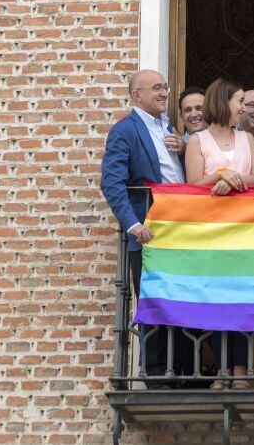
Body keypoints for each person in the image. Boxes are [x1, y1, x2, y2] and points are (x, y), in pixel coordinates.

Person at [100, 69, 187, 389]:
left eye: (165, 86)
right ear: (137, 96)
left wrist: (184, 150)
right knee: (155, 301)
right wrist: (133, 224)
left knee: (181, 300)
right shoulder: (125, 130)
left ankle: (180, 372)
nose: (165, 92)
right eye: (156, 88)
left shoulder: (170, 129)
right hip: (150, 230)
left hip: (182, 228)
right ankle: (156, 376)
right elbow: (111, 183)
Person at [185, 78, 254, 389]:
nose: (244, 107)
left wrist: (234, 180)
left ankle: (241, 372)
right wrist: (220, 174)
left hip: (245, 230)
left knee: (242, 300)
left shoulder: (246, 139)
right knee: (217, 301)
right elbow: (192, 184)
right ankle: (221, 371)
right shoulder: (197, 140)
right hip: (211, 232)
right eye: (240, 101)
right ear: (224, 102)